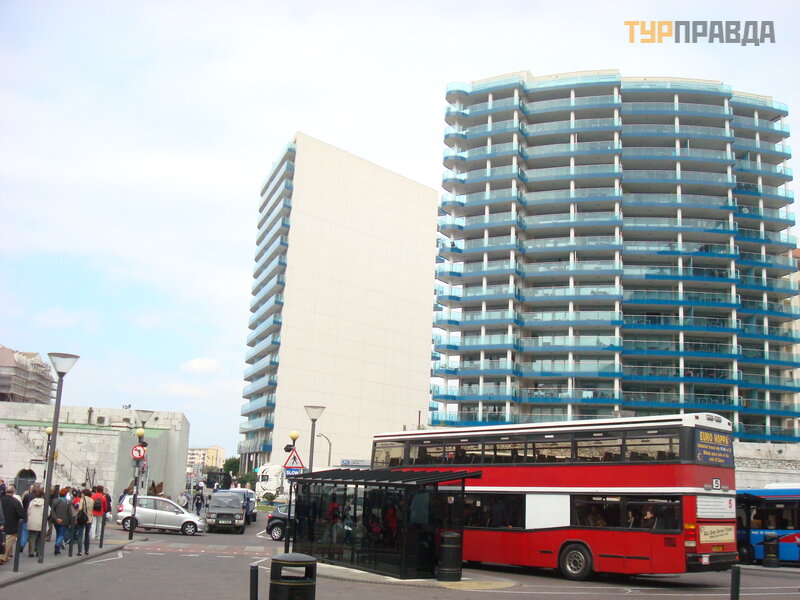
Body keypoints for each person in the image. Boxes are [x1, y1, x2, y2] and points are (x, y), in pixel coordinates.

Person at [0, 485, 25, 564]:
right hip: (12, 525)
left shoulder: (1, 500)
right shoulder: (16, 502)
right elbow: (21, 514)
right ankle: (2, 557)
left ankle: (6, 555)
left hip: (1, 524)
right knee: (8, 541)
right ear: (13, 492)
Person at [50, 488, 75, 555]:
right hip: (65, 520)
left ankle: (57, 549)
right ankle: (57, 544)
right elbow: (70, 513)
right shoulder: (68, 502)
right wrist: (71, 522)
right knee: (62, 534)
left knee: (58, 533)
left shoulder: (55, 501)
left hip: (56, 520)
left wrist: (56, 518)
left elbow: (52, 511)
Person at [73, 489, 93, 556]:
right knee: (87, 534)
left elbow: (80, 508)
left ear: (84, 493)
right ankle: (87, 550)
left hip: (82, 518)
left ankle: (80, 551)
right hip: (89, 518)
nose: (81, 494)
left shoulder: (82, 499)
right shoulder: (92, 500)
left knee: (80, 534)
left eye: (82, 493)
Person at [25, 488, 45, 557]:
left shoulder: (32, 502)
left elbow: (28, 511)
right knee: (41, 537)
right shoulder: (45, 502)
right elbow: (48, 512)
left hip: (32, 521)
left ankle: (31, 551)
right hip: (41, 521)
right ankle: (39, 551)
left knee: (32, 536)